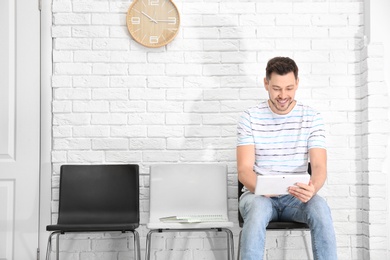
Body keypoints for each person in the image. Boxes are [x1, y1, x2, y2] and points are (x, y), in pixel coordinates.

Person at [237, 57, 337, 260]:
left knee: (320, 208)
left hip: (296, 198)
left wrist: (312, 189)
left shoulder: (312, 117)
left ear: (297, 84)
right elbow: (244, 169)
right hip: (258, 196)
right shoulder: (249, 117)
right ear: (266, 84)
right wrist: (262, 188)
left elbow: (318, 166)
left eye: (289, 88)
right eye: (276, 88)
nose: (283, 95)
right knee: (257, 211)